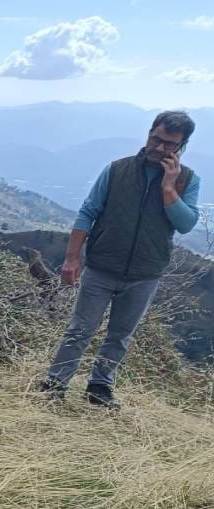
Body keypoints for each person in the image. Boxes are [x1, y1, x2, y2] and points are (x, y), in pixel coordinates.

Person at [40, 111, 201, 410]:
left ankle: (99, 388)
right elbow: (88, 212)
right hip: (102, 266)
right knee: (80, 329)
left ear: (182, 146)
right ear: (149, 133)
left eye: (168, 144)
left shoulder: (187, 180)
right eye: (155, 139)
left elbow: (186, 223)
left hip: (145, 272)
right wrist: (72, 258)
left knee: (120, 335)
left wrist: (168, 188)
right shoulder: (117, 170)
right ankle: (55, 383)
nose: (158, 147)